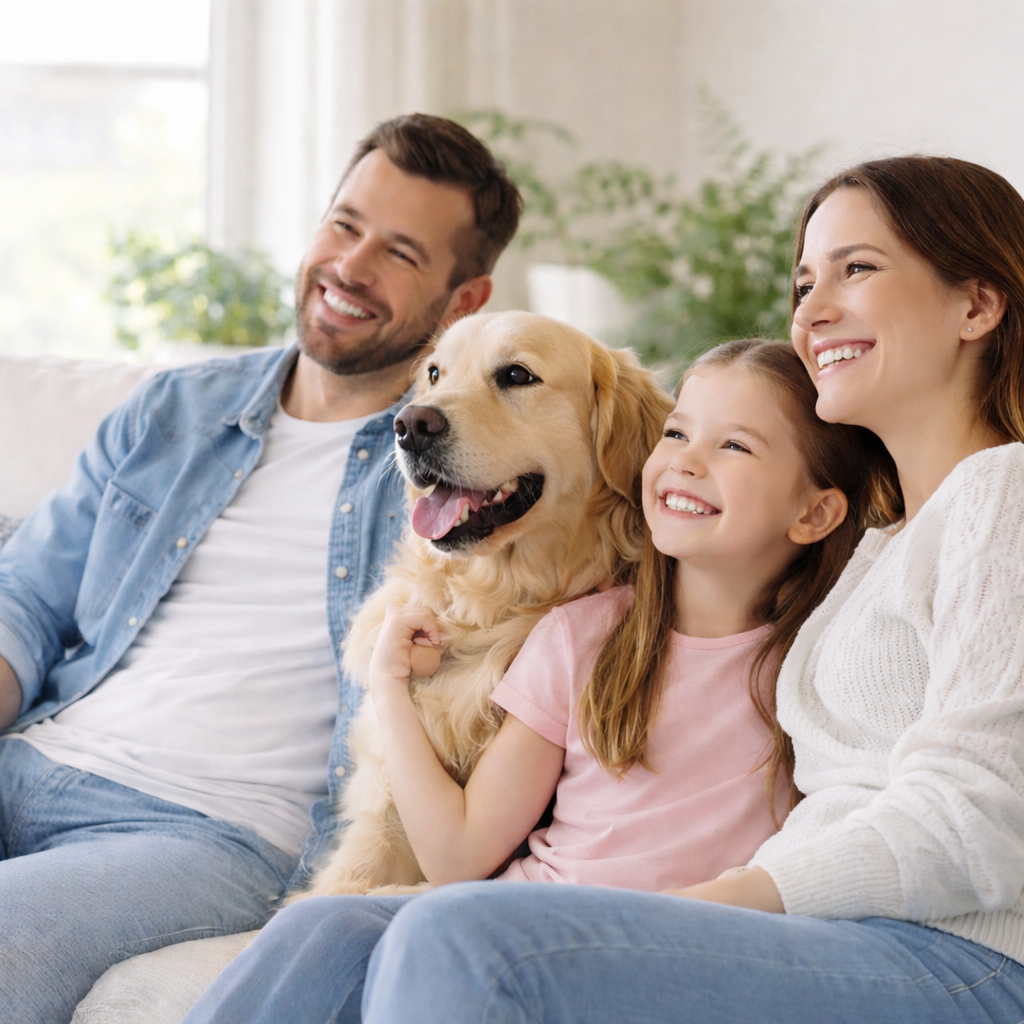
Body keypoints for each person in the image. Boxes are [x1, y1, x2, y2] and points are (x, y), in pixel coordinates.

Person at [342, 155, 1024, 1024]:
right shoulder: (873, 545)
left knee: (459, 936)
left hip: (954, 957)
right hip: (834, 932)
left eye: (858, 269)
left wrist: (695, 907)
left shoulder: (1003, 493)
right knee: (335, 935)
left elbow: (977, 821)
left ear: (977, 303)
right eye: (804, 280)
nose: (812, 309)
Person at [182, 337, 884, 1024]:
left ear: (816, 512)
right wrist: (391, 687)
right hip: (513, 909)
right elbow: (459, 852)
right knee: (321, 928)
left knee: (431, 941)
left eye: (735, 446)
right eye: (675, 434)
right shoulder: (584, 636)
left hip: (640, 944)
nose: (686, 462)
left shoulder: (825, 658)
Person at [0, 113, 521, 1023]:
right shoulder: (175, 408)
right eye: (345, 224)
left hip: (200, 830)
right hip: (32, 756)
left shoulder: (467, 472)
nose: (351, 267)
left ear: (463, 301)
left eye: (399, 253)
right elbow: (29, 597)